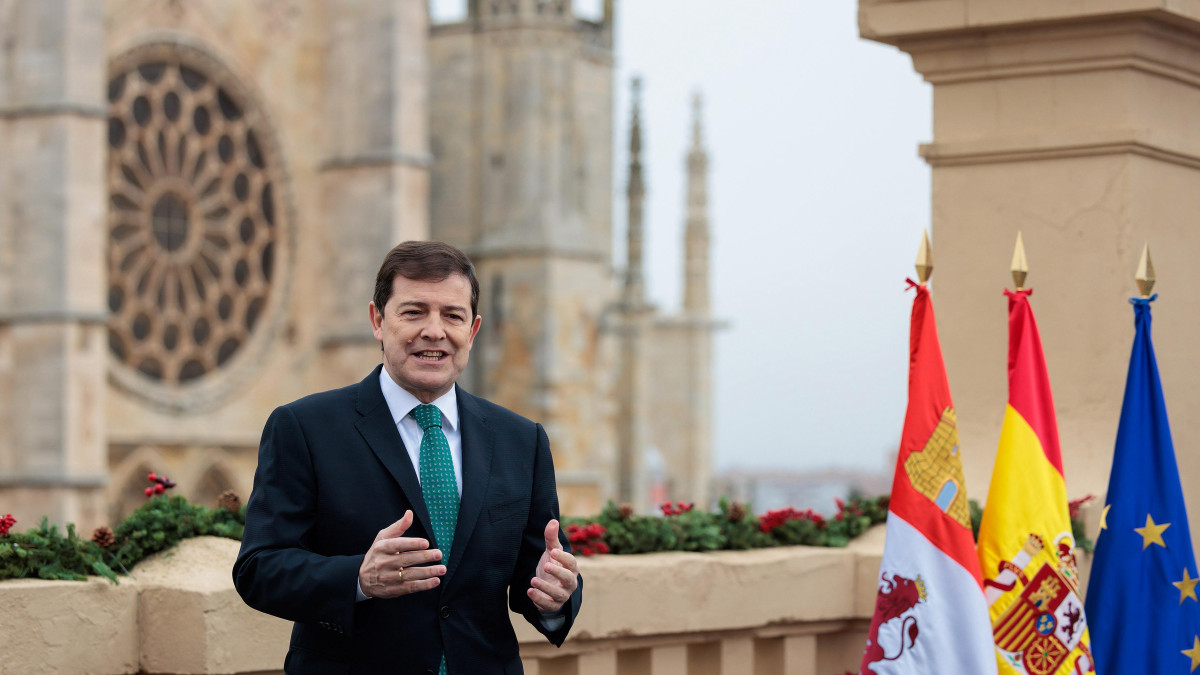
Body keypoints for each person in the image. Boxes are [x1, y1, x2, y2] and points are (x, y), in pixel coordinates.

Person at [233, 241, 582, 674]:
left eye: (452, 315)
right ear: (378, 321)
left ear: (472, 331)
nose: (434, 331)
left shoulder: (522, 440)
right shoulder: (304, 428)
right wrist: (359, 579)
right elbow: (258, 569)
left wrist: (555, 595)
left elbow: (541, 572)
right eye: (414, 312)